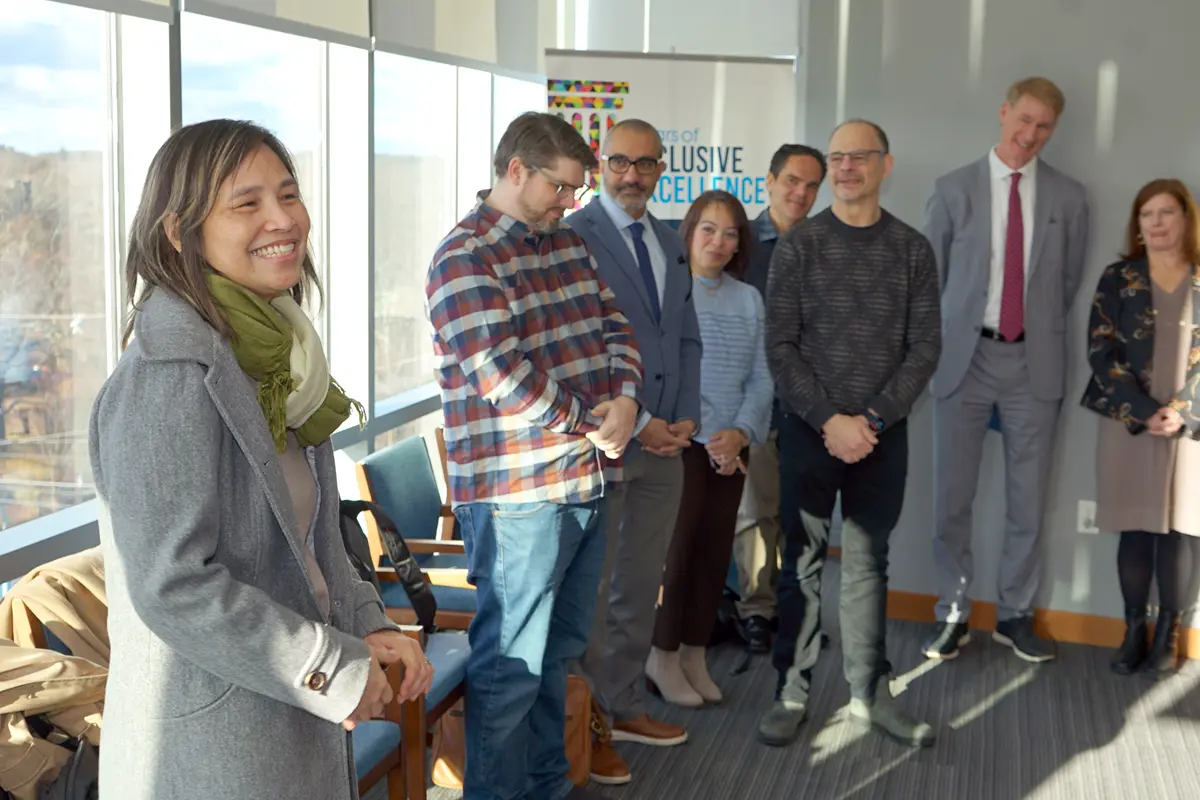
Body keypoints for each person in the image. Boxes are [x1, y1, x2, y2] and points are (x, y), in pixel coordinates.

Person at [89, 119, 434, 800]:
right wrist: (329, 667)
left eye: (289, 193)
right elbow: (173, 586)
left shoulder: (278, 359)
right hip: (210, 747)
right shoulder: (167, 373)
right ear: (177, 232)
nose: (283, 219)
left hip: (286, 723)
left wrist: (368, 623)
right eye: (246, 203)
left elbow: (309, 540)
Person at [425, 111, 643, 800]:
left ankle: (549, 789)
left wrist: (629, 401)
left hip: (587, 480)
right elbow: (500, 374)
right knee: (512, 669)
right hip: (519, 495)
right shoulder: (464, 256)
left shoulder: (566, 244)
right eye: (561, 186)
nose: (570, 202)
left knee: (559, 658)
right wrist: (594, 422)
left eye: (577, 190)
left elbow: (616, 328)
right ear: (515, 170)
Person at [757, 119, 941, 749]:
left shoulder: (912, 249)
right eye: (837, 158)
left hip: (883, 437)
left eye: (859, 157)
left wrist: (872, 422)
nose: (845, 168)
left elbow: (924, 349)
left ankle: (870, 691)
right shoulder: (800, 246)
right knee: (800, 567)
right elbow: (779, 345)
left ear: (885, 165)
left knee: (868, 566)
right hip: (811, 431)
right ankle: (792, 689)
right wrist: (830, 420)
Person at [923, 76, 1091, 663]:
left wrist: (1030, 333)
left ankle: (1015, 613)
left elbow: (1064, 287)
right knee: (951, 498)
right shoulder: (952, 191)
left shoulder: (1069, 200)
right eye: (1024, 120)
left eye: (1044, 126)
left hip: (1032, 363)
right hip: (962, 362)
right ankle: (951, 613)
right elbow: (932, 286)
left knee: (1029, 500)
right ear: (1003, 113)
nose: (1031, 135)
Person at [565, 118, 702, 784]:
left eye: (646, 165)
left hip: (667, 445)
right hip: (608, 439)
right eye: (621, 162)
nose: (633, 175)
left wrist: (684, 418)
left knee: (641, 585)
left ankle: (622, 705)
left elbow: (687, 340)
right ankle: (588, 726)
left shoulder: (671, 240)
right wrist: (642, 419)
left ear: (660, 169)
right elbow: (580, 349)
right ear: (600, 164)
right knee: (597, 592)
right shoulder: (573, 236)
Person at [648, 190, 773, 707]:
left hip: (731, 448)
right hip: (682, 445)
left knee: (712, 556)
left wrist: (740, 433)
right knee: (675, 559)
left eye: (730, 233)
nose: (719, 242)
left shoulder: (748, 299)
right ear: (690, 230)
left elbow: (762, 375)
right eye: (709, 229)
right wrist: (700, 431)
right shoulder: (669, 292)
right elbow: (665, 372)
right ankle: (662, 656)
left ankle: (695, 653)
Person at [1081, 178, 1200, 678]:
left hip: (1189, 430)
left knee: (1178, 532)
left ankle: (1170, 633)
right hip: (1129, 424)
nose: (1154, 222)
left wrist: (1183, 409)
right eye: (1145, 214)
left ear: (1185, 219)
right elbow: (1099, 349)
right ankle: (1134, 630)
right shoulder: (1118, 277)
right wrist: (1143, 409)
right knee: (1134, 528)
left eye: (1165, 212)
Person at [733, 144, 827, 654]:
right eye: (792, 180)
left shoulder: (826, 244)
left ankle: (800, 608)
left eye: (812, 185)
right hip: (758, 404)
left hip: (812, 407)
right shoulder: (738, 243)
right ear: (769, 181)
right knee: (756, 515)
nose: (801, 193)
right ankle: (757, 611)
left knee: (803, 516)